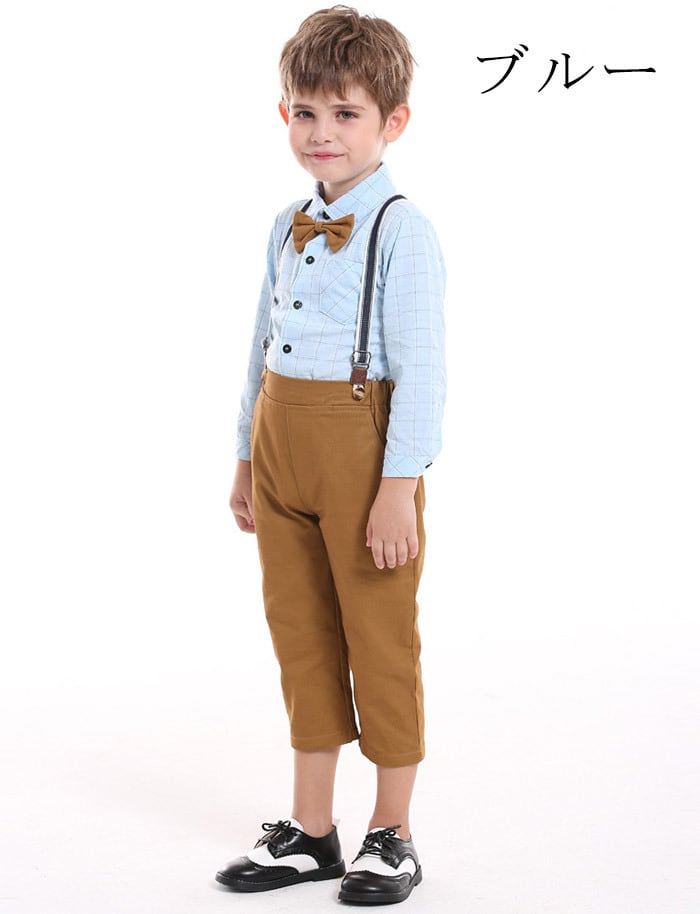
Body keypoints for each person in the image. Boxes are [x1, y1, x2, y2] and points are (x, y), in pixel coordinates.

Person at [215, 5, 446, 905]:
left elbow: (422, 371)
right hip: (280, 444)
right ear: (285, 114)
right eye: (306, 112)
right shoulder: (286, 223)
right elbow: (258, 346)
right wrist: (246, 458)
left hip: (363, 455)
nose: (323, 132)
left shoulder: (401, 229)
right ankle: (312, 832)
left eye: (346, 113)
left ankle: (393, 833)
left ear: (393, 121)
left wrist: (399, 487)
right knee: (302, 638)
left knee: (379, 639)